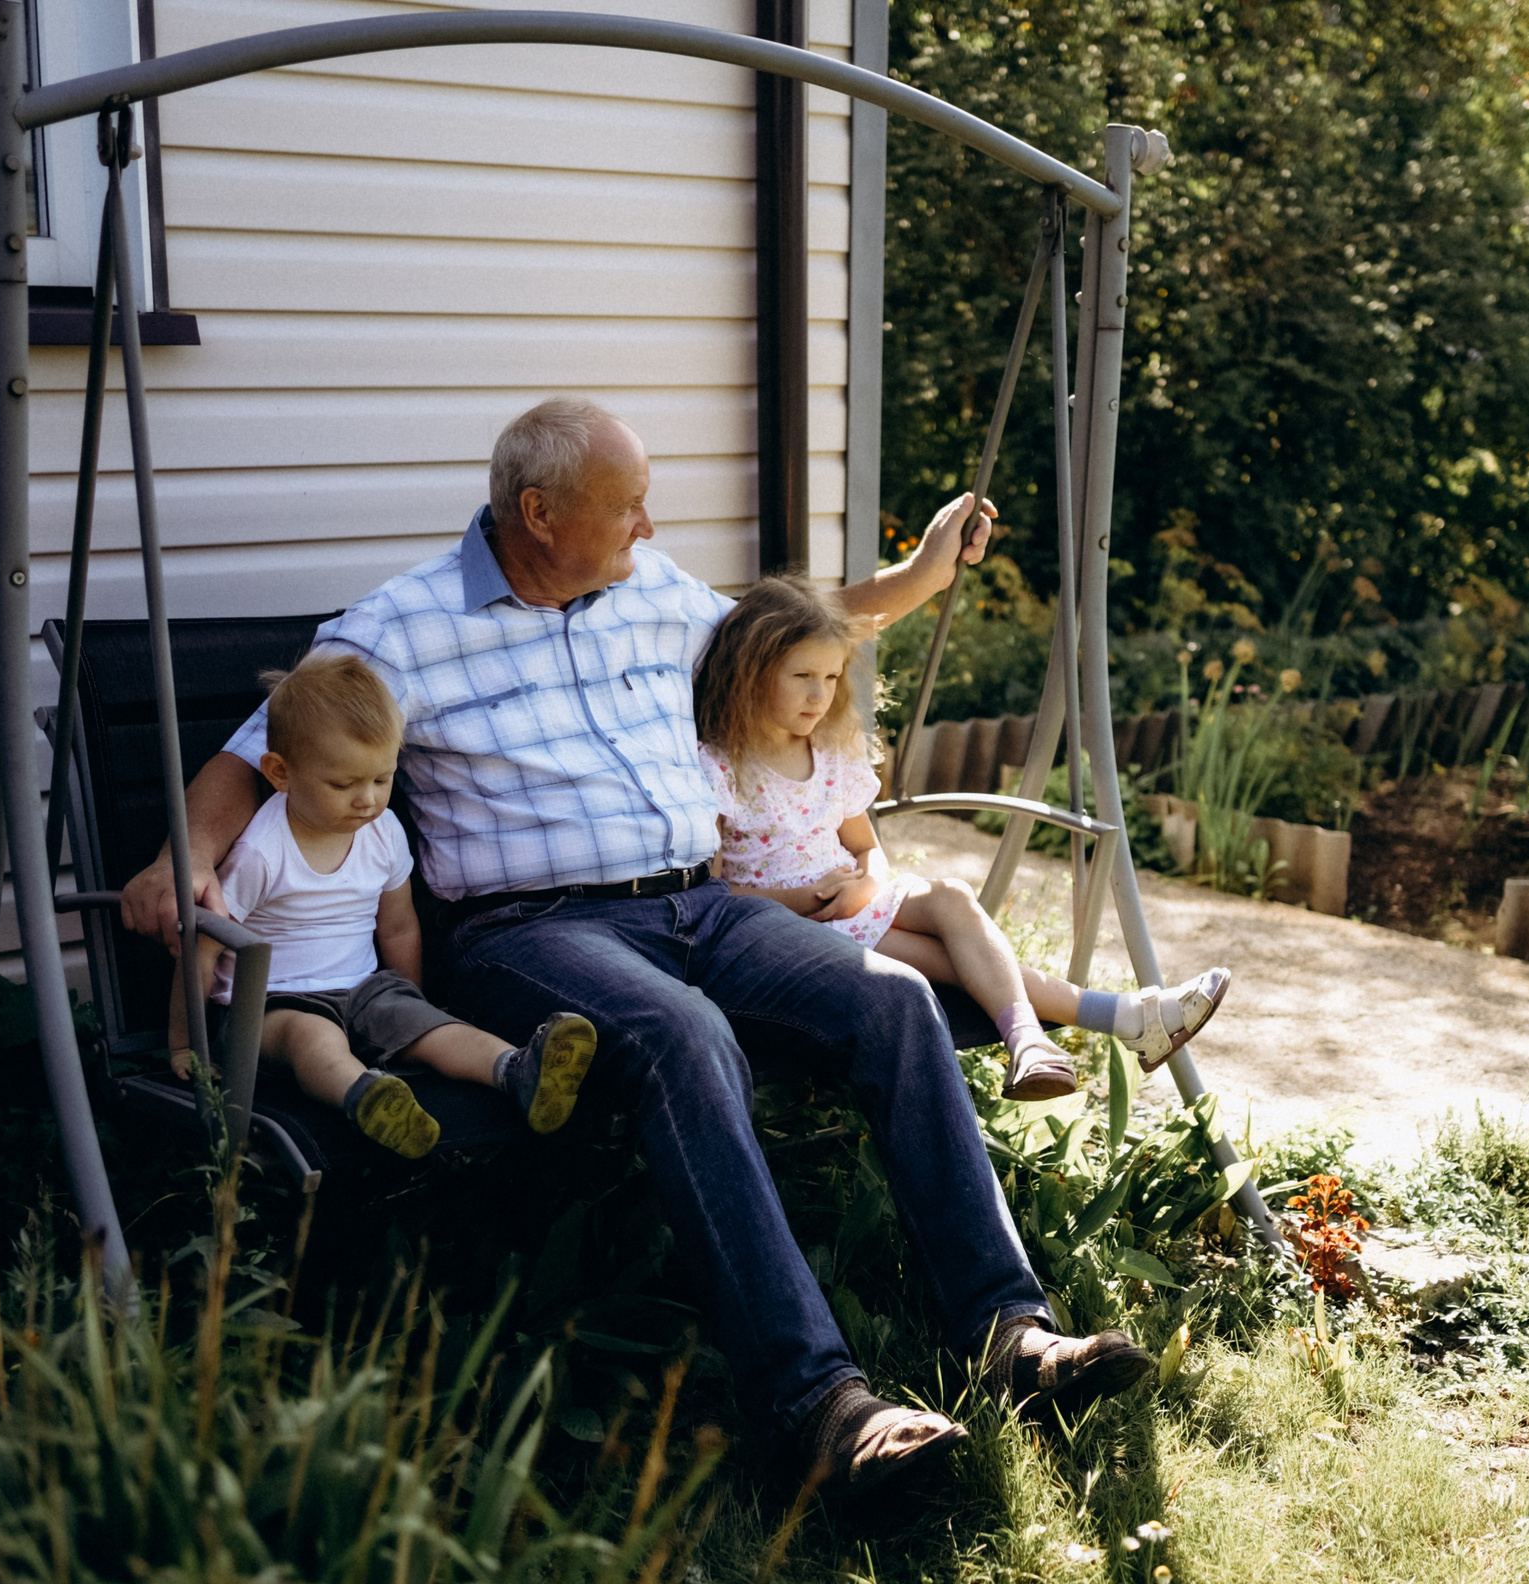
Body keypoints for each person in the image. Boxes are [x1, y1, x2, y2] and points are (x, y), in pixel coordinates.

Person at [120, 397, 1157, 1497]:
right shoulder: (400, 630)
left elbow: (784, 635)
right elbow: (257, 753)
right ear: (539, 514)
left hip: (703, 906)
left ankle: (1011, 1334)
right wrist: (183, 860)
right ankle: (820, 1405)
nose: (650, 528)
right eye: (629, 508)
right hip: (530, 932)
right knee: (682, 1034)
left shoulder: (651, 591)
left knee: (894, 998)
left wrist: (920, 577)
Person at [691, 574, 1230, 1101]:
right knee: (946, 961)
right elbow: (712, 896)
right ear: (751, 673)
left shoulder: (828, 754)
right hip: (789, 932)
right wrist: (812, 899)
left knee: (950, 894)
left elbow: (866, 848)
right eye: (802, 676)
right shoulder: (719, 768)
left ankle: (1058, 1035)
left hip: (855, 901)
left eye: (831, 678)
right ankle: (1097, 1024)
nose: (819, 695)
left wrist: (866, 884)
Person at [167, 652, 598, 1157]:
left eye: (381, 779)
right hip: (272, 1005)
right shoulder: (262, 852)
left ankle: (517, 1069)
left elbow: (398, 927)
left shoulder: (383, 833)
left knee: (435, 1029)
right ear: (281, 773)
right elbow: (201, 949)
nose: (367, 800)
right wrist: (185, 1043)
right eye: (343, 784)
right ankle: (367, 1097)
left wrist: (410, 1004)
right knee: (314, 1039)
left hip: (363, 990)